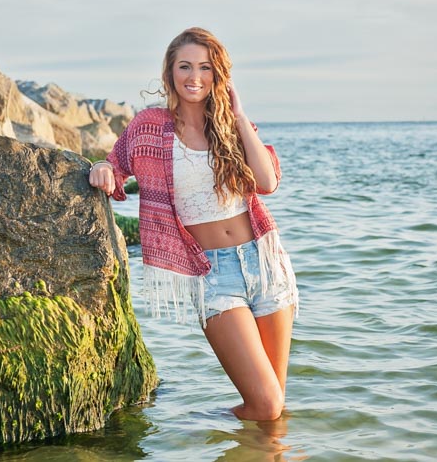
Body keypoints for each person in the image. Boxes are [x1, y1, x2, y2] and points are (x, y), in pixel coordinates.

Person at [88, 27, 299, 422]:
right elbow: (114, 164)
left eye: (205, 67)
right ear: (169, 73)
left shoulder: (231, 127)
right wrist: (101, 167)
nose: (194, 76)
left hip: (267, 263)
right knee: (267, 405)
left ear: (218, 74)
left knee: (274, 408)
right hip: (213, 275)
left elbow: (267, 182)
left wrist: (238, 116)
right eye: (184, 66)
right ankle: (190, 430)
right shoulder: (149, 126)